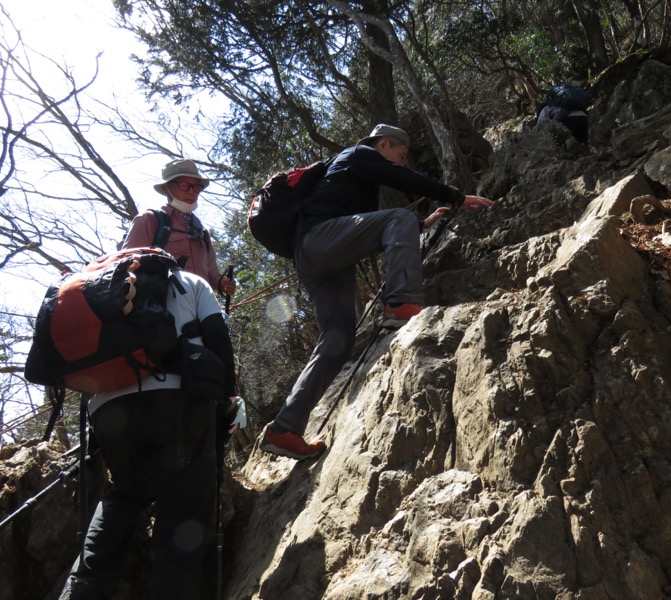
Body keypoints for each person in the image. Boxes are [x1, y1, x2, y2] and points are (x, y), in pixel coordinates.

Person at [259, 124, 494, 461]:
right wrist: (456, 196)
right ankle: (401, 303)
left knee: (336, 342)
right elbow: (403, 185)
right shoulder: (359, 154)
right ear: (383, 144)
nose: (400, 163)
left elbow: (365, 228)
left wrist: (421, 224)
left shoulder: (349, 179)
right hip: (320, 240)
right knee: (397, 216)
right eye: (400, 156)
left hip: (314, 257)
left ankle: (284, 429)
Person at [58, 269, 246, 600]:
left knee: (125, 493)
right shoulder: (190, 281)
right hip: (176, 398)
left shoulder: (102, 288)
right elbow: (217, 335)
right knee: (182, 507)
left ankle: (81, 590)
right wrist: (229, 396)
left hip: (107, 407)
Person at [121, 158, 236, 297]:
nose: (192, 192)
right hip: (160, 307)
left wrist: (221, 283)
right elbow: (127, 265)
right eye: (184, 185)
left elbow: (212, 273)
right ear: (166, 187)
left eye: (196, 187)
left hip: (201, 306)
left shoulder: (202, 232)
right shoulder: (149, 219)